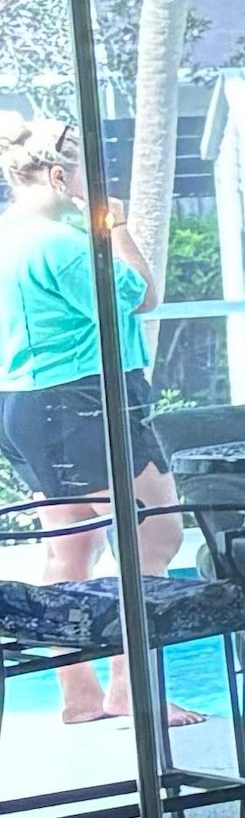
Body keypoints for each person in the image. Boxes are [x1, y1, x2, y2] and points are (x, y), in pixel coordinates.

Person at [2, 122, 188, 726]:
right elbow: (140, 295)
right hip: (85, 400)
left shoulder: (8, 238)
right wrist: (119, 224)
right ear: (59, 176)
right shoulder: (61, 243)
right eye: (81, 174)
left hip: (25, 405)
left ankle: (79, 695)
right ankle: (131, 691)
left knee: (71, 547)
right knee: (155, 537)